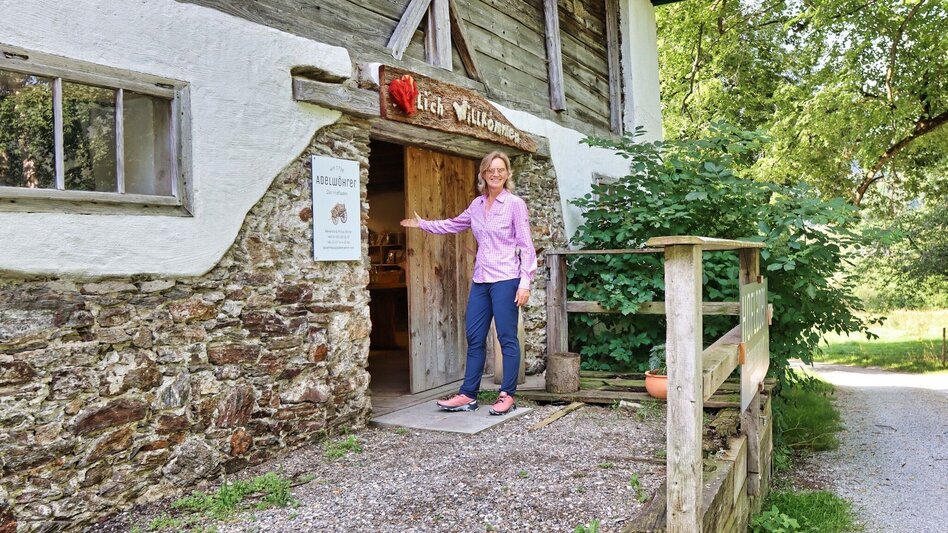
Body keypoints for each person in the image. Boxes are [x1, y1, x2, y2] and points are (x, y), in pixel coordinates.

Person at [400, 151, 537, 415]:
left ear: (507, 174)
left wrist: (525, 282)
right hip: (481, 279)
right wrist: (423, 224)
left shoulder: (514, 204)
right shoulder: (477, 205)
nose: (495, 174)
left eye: (500, 170)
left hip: (507, 279)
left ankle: (507, 395)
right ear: (483, 175)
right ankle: (468, 395)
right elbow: (454, 224)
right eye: (490, 170)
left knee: (507, 338)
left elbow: (526, 245)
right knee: (474, 337)